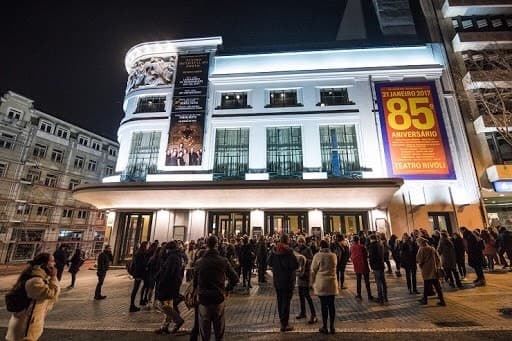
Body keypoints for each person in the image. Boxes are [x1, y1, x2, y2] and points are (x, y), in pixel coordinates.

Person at [6, 253, 60, 341]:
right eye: (52, 261)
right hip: (25, 328)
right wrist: (53, 277)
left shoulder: (39, 278)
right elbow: (53, 294)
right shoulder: (35, 281)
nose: (54, 264)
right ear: (44, 265)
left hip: (28, 324)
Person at [194, 236, 239, 341]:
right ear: (217, 244)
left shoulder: (199, 262)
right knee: (219, 332)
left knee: (204, 334)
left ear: (206, 244)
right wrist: (227, 289)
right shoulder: (223, 261)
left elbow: (195, 282)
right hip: (218, 297)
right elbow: (235, 278)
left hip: (203, 299)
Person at [267, 234, 299, 332]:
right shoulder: (289, 252)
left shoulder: (275, 251)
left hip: (277, 280)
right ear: (287, 241)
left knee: (280, 301)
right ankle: (285, 324)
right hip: (288, 280)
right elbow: (295, 265)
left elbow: (269, 262)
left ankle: (282, 321)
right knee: (286, 302)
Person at [153, 241, 185, 335]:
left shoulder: (172, 257)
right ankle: (164, 327)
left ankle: (177, 319)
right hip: (172, 285)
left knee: (163, 305)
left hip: (168, 285)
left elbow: (168, 273)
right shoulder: (175, 256)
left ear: (168, 249)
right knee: (168, 305)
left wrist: (161, 281)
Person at [311, 239, 338, 334]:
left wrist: (312, 282)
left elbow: (313, 270)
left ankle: (325, 326)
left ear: (320, 247)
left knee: (323, 305)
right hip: (332, 283)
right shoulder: (333, 256)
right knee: (332, 305)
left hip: (322, 283)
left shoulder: (318, 256)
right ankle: (332, 326)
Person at [416, 237, 446, 306]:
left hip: (426, 270)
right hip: (433, 269)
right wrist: (437, 266)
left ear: (420, 243)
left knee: (427, 285)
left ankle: (425, 300)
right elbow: (437, 258)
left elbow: (419, 260)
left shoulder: (422, 249)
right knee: (437, 286)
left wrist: (421, 266)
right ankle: (441, 300)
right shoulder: (432, 248)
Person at [294, 236, 317, 324]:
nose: (300, 243)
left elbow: (312, 260)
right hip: (299, 274)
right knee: (300, 294)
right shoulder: (296, 249)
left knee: (307, 295)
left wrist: (304, 260)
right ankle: (303, 312)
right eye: (299, 241)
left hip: (306, 274)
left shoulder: (307, 249)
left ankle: (313, 314)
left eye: (302, 241)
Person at [350, 235, 373, 301]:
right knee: (367, 281)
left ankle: (359, 295)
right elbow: (366, 255)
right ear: (358, 240)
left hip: (357, 266)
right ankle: (369, 295)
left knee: (358, 281)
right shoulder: (362, 247)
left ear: (354, 241)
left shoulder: (352, 248)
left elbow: (352, 257)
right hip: (364, 266)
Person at [367, 234, 388, 304]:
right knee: (383, 281)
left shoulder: (372, 246)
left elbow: (371, 257)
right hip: (381, 265)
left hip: (376, 266)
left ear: (371, 239)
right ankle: (385, 297)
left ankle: (380, 298)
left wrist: (371, 266)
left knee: (378, 282)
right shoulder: (381, 245)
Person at [129, 241, 148, 312]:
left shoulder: (139, 253)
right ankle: (132, 305)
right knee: (135, 289)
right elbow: (140, 265)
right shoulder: (140, 254)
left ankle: (132, 305)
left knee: (135, 289)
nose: (148, 246)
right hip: (138, 274)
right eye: (147, 245)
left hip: (138, 273)